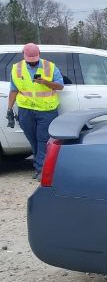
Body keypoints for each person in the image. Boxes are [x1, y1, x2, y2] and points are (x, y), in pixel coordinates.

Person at [6, 43, 64, 180]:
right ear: (24, 56)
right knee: (34, 140)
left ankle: (41, 170)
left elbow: (60, 86)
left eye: (35, 60)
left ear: (39, 55)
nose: (32, 63)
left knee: (43, 140)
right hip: (26, 110)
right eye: (29, 61)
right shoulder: (16, 68)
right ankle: (41, 166)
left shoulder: (50, 66)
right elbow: (14, 90)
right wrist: (9, 108)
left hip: (47, 110)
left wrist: (45, 82)